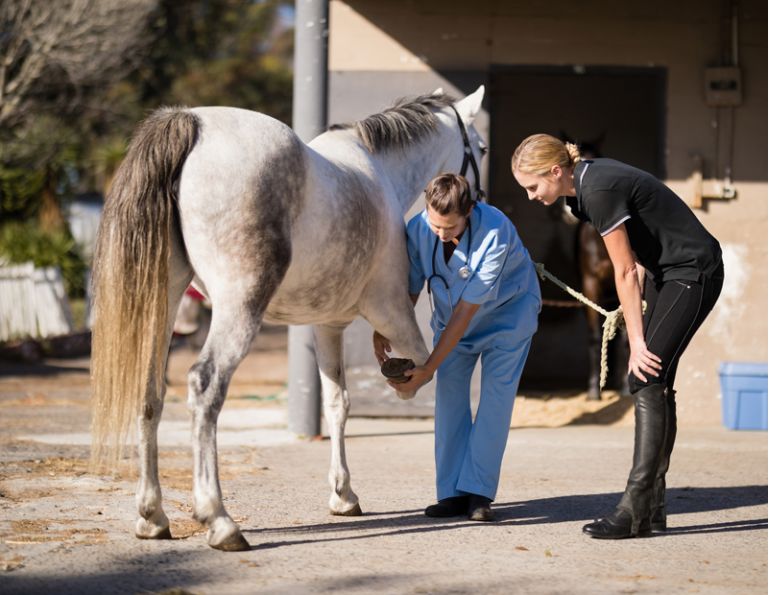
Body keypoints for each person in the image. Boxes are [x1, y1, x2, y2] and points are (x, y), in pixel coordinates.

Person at [512, 134, 723, 539]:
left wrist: (637, 343)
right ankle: (652, 510)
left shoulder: (598, 188)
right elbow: (640, 253)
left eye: (533, 186)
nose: (531, 197)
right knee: (656, 381)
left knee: (645, 376)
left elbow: (624, 271)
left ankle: (633, 508)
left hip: (694, 270)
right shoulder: (580, 192)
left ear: (556, 172)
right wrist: (640, 324)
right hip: (665, 271)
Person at [373, 173, 540, 522]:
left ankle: (478, 492)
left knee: (495, 401)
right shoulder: (419, 228)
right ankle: (450, 493)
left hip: (507, 318)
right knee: (449, 398)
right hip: (453, 323)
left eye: (450, 229)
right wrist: (384, 327)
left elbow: (466, 311)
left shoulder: (495, 231)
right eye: (436, 226)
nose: (441, 234)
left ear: (470, 210)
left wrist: (427, 370)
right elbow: (413, 286)